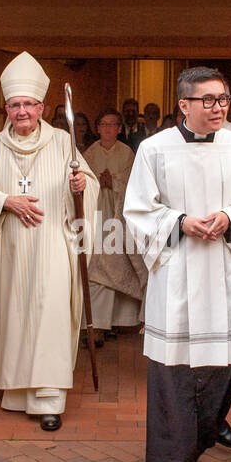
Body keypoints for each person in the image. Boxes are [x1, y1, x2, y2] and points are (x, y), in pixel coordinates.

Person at [124, 66, 231, 462]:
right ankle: (176, 459)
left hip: (224, 269)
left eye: (223, 99)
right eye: (207, 100)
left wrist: (230, 217)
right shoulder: (154, 149)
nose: (218, 107)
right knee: (175, 370)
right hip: (178, 271)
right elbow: (137, 209)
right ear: (183, 105)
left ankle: (209, 422)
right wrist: (180, 222)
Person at [0, 51, 98, 432]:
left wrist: (81, 187)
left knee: (50, 314)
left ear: (42, 107)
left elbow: (91, 189)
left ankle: (50, 398)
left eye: (28, 105)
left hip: (53, 245)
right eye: (14, 105)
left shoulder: (63, 144)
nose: (21, 112)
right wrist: (6, 200)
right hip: (8, 250)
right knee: (16, 316)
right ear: (6, 108)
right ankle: (17, 391)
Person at [83, 110, 146, 333]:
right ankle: (97, 326)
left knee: (118, 264)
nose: (108, 128)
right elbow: (83, 181)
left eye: (112, 124)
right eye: (103, 124)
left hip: (119, 218)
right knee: (96, 266)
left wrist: (115, 182)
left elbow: (136, 182)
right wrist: (97, 182)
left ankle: (121, 321)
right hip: (97, 217)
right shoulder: (89, 154)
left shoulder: (127, 153)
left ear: (119, 128)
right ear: (97, 128)